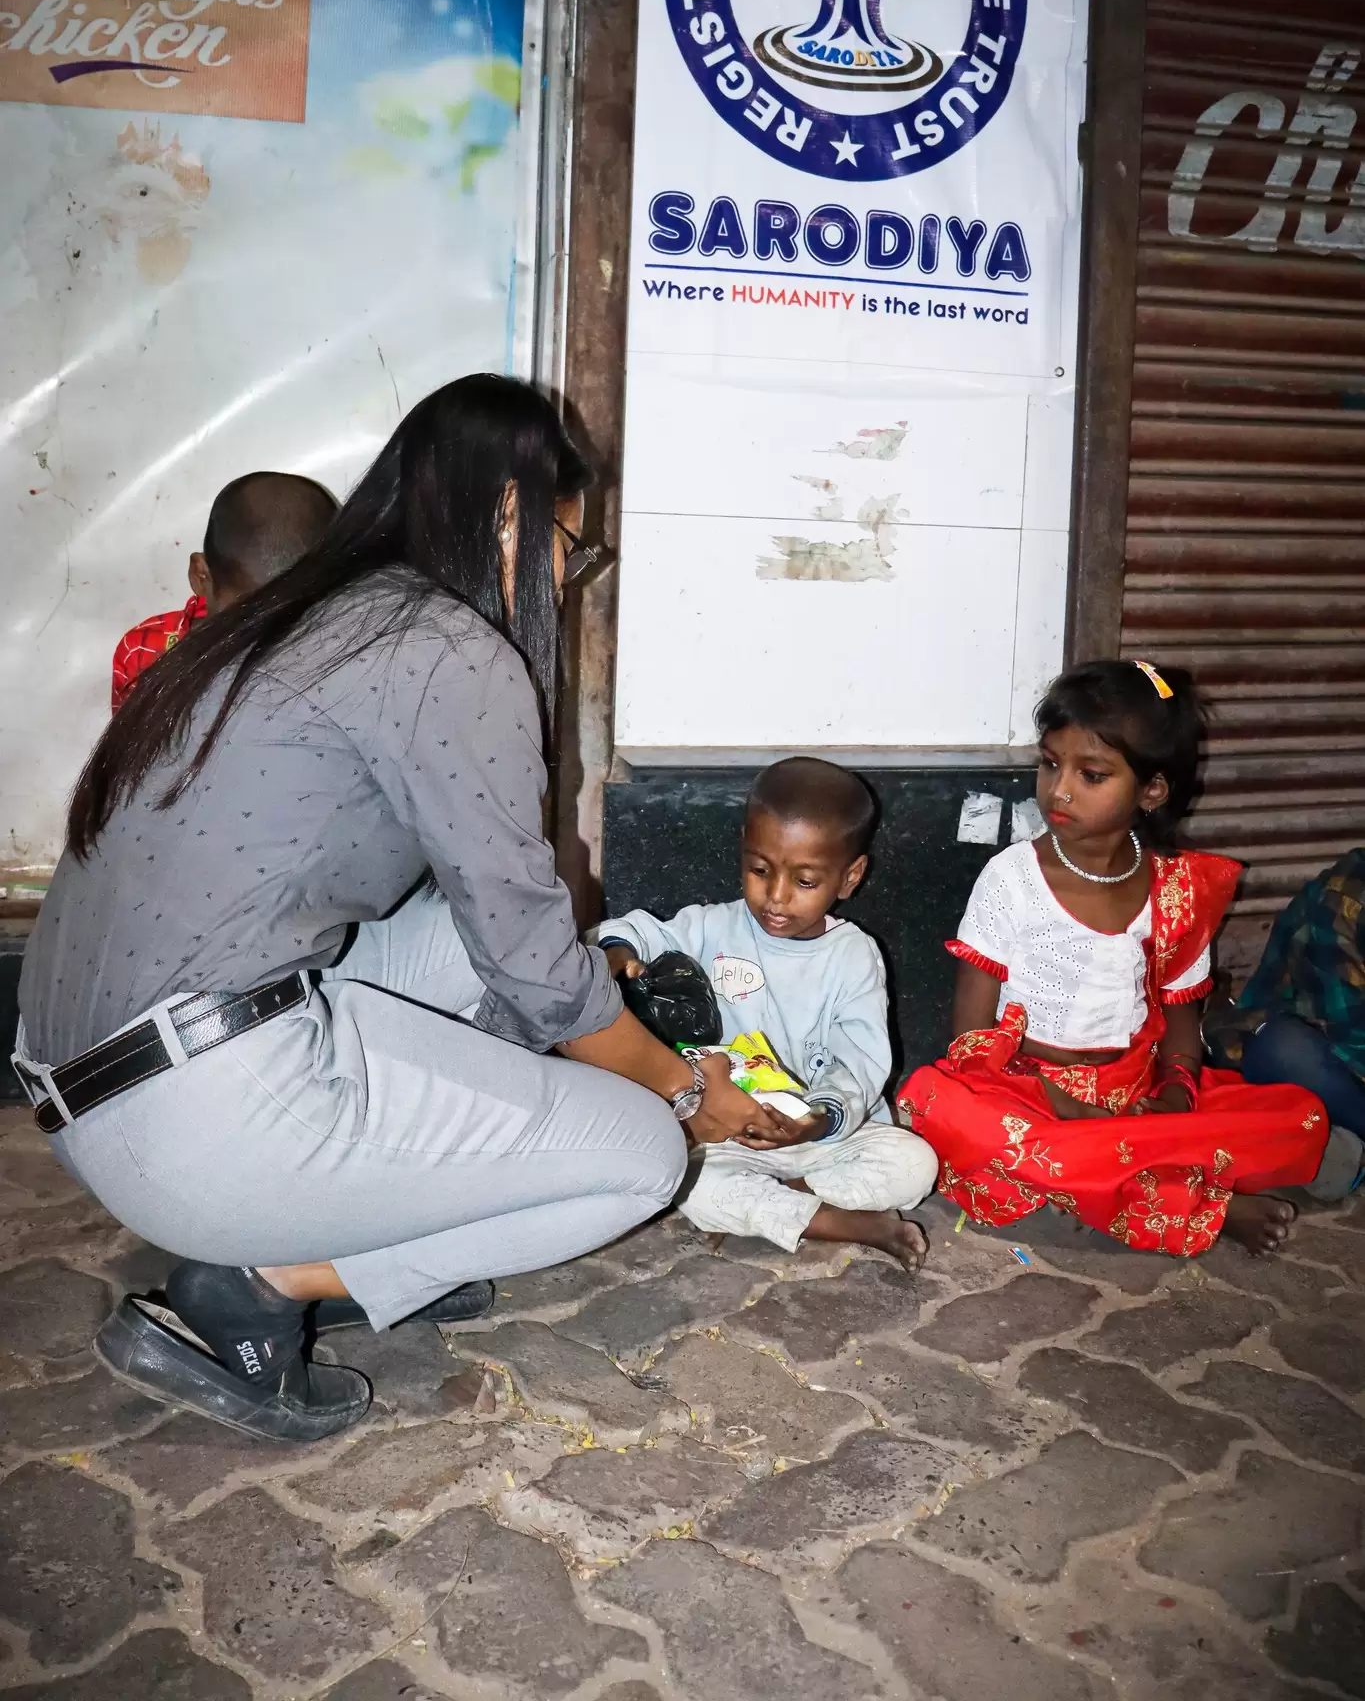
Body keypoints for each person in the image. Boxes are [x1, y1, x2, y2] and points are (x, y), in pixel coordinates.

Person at [15, 376, 786, 1444]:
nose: (566, 578)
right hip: (188, 1119)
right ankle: (266, 1286)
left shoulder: (304, 613)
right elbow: (533, 965)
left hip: (86, 1088)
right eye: (571, 548)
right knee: (643, 1155)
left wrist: (580, 985)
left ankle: (387, 1205)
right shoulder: (444, 647)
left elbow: (496, 925)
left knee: (502, 961)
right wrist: (685, 1085)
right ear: (511, 516)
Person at [899, 660, 1332, 1260]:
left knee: (1301, 1115)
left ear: (1151, 791)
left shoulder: (1175, 890)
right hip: (1029, 1091)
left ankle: (1101, 1177)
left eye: (1092, 774)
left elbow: (1181, 1015)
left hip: (1133, 1092)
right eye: (1050, 764)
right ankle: (1199, 1204)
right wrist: (1065, 1106)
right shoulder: (1011, 879)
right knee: (934, 1101)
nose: (1060, 790)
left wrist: (1176, 1089)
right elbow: (970, 1040)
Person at [594, 758, 937, 1271]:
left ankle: (787, 1199)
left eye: (805, 881)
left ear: (849, 877)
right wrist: (620, 952)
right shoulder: (712, 927)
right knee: (686, 1183)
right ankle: (849, 1223)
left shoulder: (853, 956)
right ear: (743, 849)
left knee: (915, 1165)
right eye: (760, 870)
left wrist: (819, 1120)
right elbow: (637, 929)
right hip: (728, 1133)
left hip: (818, 1135)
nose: (775, 897)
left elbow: (860, 1061)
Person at [111, 472, 338, 710]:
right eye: (247, 617)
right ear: (201, 576)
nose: (267, 638)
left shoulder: (340, 659)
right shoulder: (144, 655)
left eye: (297, 617)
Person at [1207, 849, 1365, 1155]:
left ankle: (1343, 1147)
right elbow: (1349, 1031)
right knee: (1286, 1052)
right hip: (1330, 1052)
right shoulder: (1345, 897)